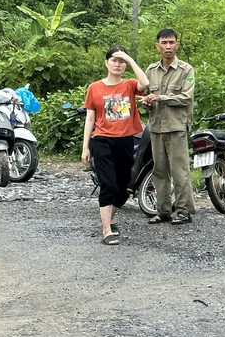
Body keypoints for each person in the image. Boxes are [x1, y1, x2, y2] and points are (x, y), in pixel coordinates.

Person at [82, 45, 149, 245]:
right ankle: (106, 230)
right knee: (108, 184)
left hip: (126, 140)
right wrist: (85, 146)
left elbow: (145, 83)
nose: (118, 64)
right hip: (102, 139)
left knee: (123, 186)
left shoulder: (129, 85)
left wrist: (130, 59)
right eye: (114, 60)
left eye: (121, 61)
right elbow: (90, 118)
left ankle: (111, 218)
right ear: (106, 63)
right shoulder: (95, 88)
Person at [142, 29, 196, 225]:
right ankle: (163, 211)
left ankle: (183, 211)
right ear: (157, 46)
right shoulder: (151, 70)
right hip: (156, 127)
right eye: (164, 43)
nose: (168, 46)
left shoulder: (186, 70)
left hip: (176, 127)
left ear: (177, 45)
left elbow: (186, 97)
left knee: (179, 171)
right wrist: (147, 102)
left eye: (171, 42)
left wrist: (161, 98)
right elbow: (148, 94)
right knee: (159, 171)